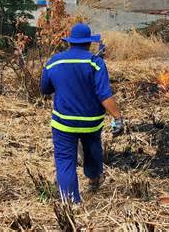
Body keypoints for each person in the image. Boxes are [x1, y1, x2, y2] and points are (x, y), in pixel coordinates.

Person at [40, 23, 123, 203]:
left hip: (63, 123)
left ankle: (70, 201)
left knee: (64, 161)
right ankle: (94, 179)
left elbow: (45, 89)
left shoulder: (54, 61)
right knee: (93, 151)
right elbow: (104, 95)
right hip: (91, 123)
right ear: (89, 43)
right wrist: (118, 117)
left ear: (70, 42)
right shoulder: (96, 63)